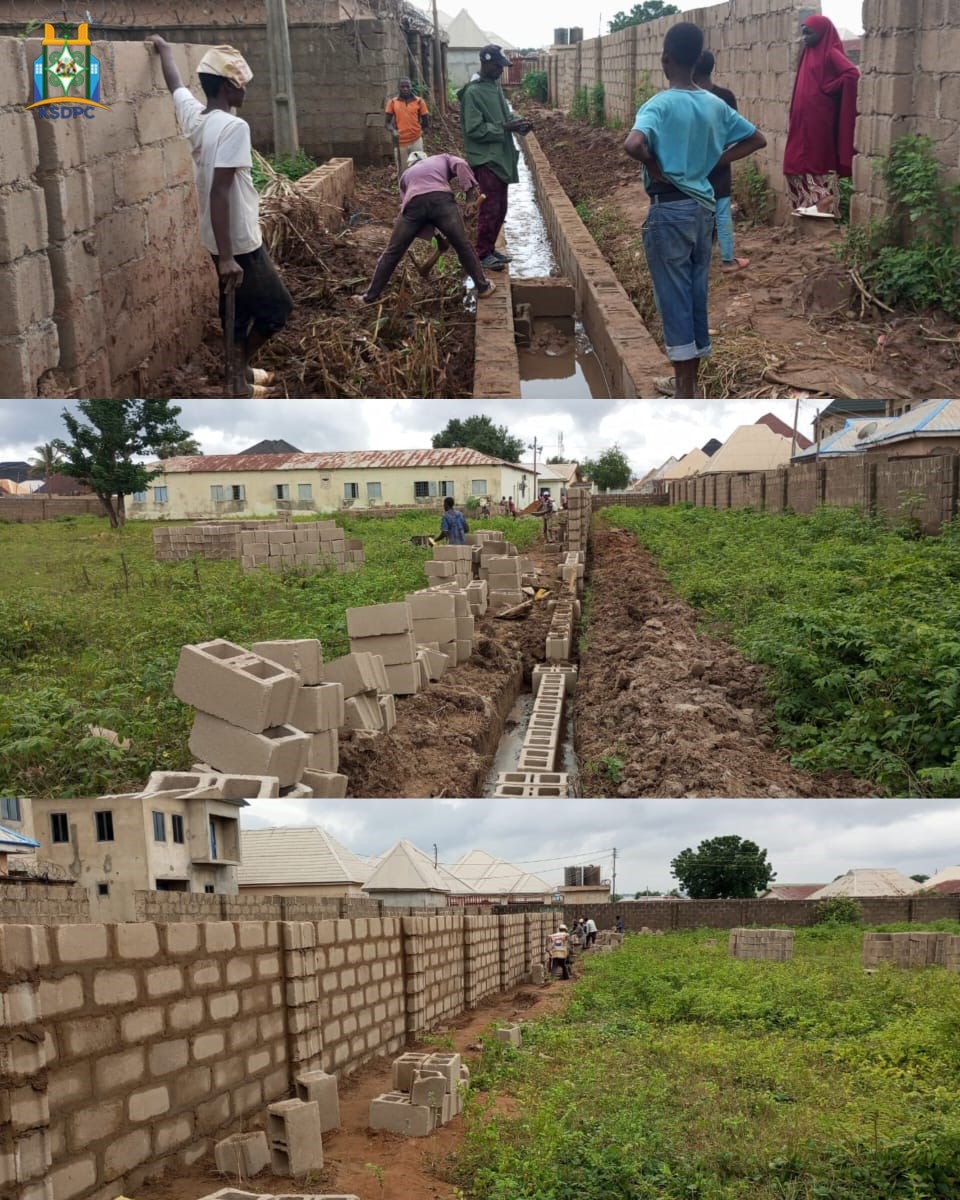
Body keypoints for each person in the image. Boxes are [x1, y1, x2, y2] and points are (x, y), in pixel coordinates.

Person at [623, 23, 765, 399]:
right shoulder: (715, 104)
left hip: (668, 211)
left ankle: (684, 390)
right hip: (703, 210)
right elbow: (756, 139)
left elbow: (634, 144)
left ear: (666, 60)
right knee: (695, 295)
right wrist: (714, 160)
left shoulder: (660, 104)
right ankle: (690, 384)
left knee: (673, 300)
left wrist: (656, 168)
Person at [146, 37, 293, 398]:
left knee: (238, 310)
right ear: (228, 87)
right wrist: (229, 257)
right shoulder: (233, 128)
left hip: (215, 235)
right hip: (238, 240)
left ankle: (237, 379)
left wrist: (165, 50)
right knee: (278, 310)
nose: (245, 91)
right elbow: (220, 190)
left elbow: (175, 85)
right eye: (241, 85)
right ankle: (236, 372)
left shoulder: (197, 116)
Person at [354, 151, 495, 304]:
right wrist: (469, 199)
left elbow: (417, 211)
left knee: (392, 252)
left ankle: (368, 298)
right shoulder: (442, 158)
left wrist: (437, 236)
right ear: (426, 158)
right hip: (441, 200)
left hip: (414, 203)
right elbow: (461, 164)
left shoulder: (405, 176)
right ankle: (483, 287)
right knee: (463, 246)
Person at [458, 45, 533, 272]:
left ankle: (490, 249)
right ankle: (482, 254)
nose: (501, 70)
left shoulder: (494, 87)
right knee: (489, 208)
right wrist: (503, 127)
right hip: (486, 159)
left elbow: (505, 115)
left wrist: (519, 123)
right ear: (486, 63)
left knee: (501, 208)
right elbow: (474, 128)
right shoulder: (473, 93)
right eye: (498, 66)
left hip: (500, 156)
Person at [783, 15, 859, 216]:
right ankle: (810, 204)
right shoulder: (809, 52)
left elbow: (852, 73)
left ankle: (823, 200)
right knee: (795, 161)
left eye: (809, 32)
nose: (804, 37)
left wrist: (827, 88)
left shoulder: (830, 51)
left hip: (818, 118)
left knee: (812, 159)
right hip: (803, 119)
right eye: (803, 32)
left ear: (822, 33)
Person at [693, 51, 749, 271]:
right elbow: (735, 129)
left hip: (692, 165)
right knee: (722, 210)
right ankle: (727, 259)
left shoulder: (687, 97)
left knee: (696, 209)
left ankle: (698, 258)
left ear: (692, 69)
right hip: (720, 160)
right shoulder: (725, 96)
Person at [385, 77, 430, 173]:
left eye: (407, 86)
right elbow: (387, 123)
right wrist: (393, 131)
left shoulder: (419, 101)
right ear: (398, 88)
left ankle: (419, 187)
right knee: (403, 171)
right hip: (400, 143)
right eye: (402, 87)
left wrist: (418, 132)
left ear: (411, 87)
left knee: (419, 168)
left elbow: (426, 122)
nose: (405, 89)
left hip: (416, 141)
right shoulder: (393, 102)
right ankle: (404, 187)